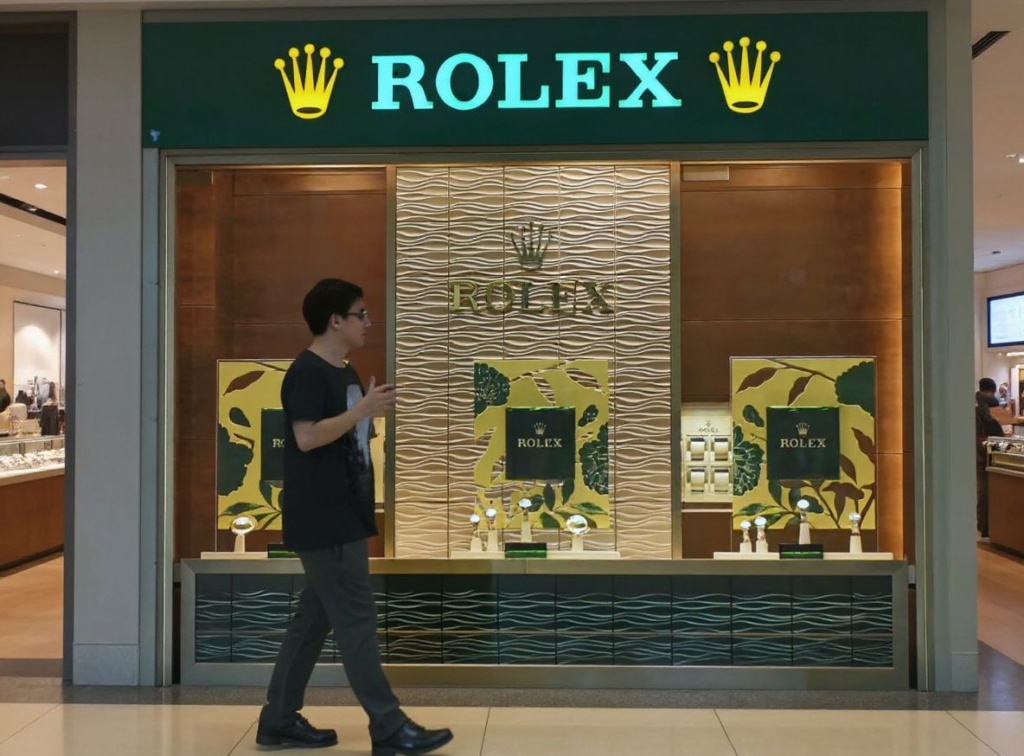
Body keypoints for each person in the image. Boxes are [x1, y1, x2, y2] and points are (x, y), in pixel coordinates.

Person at [257, 279, 453, 755]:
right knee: (357, 622)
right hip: (324, 518)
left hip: (343, 510)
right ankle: (388, 726)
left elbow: (340, 434)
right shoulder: (306, 373)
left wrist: (365, 419)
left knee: (313, 621)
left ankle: (278, 720)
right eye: (360, 314)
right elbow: (305, 437)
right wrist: (360, 411)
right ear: (335, 321)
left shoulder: (343, 370)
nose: (368, 323)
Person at [976, 378, 1006, 540]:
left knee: (983, 489)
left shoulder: (977, 403)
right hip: (985, 452)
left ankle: (983, 524)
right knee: (985, 490)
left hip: (978, 451)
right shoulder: (988, 405)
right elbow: (994, 425)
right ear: (993, 390)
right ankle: (985, 526)